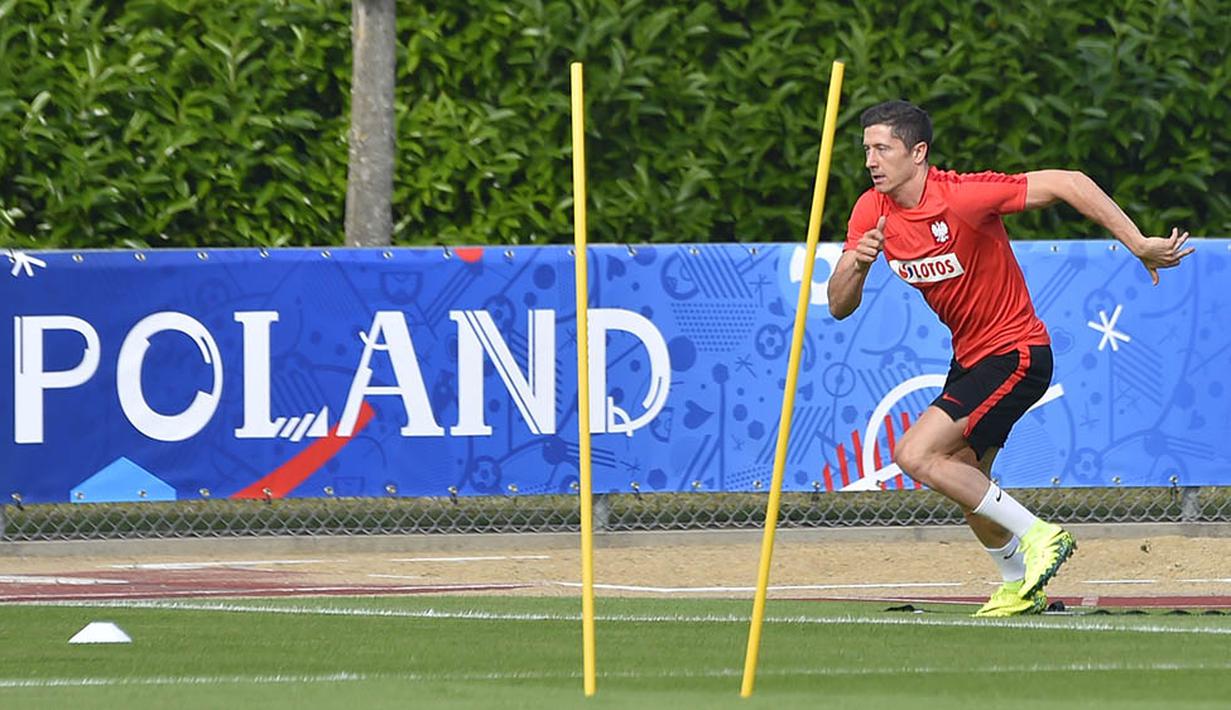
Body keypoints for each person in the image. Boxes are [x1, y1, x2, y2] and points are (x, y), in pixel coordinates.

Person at [827, 100, 1194, 617]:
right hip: (971, 358)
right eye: (867, 149)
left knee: (913, 453)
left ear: (918, 152)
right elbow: (838, 305)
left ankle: (1041, 535)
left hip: (1016, 352)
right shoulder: (872, 210)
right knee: (963, 475)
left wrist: (1137, 243)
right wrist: (859, 266)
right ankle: (1018, 585)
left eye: (882, 149)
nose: (871, 160)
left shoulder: (963, 197)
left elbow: (1068, 181)